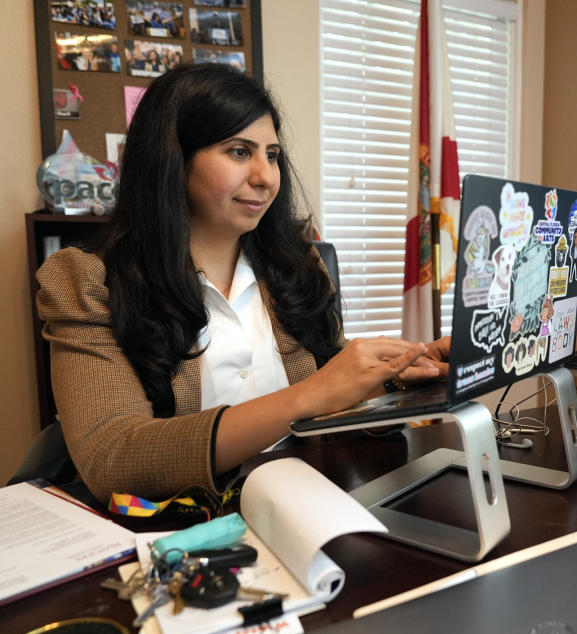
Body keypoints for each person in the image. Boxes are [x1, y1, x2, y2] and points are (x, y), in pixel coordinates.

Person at [36, 64, 449, 504]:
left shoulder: (298, 264)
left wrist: (398, 377)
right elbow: (112, 458)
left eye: (271, 155)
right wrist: (310, 396)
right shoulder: (86, 281)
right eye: (238, 152)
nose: (266, 177)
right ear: (173, 159)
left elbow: (333, 395)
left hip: (310, 505)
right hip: (184, 531)